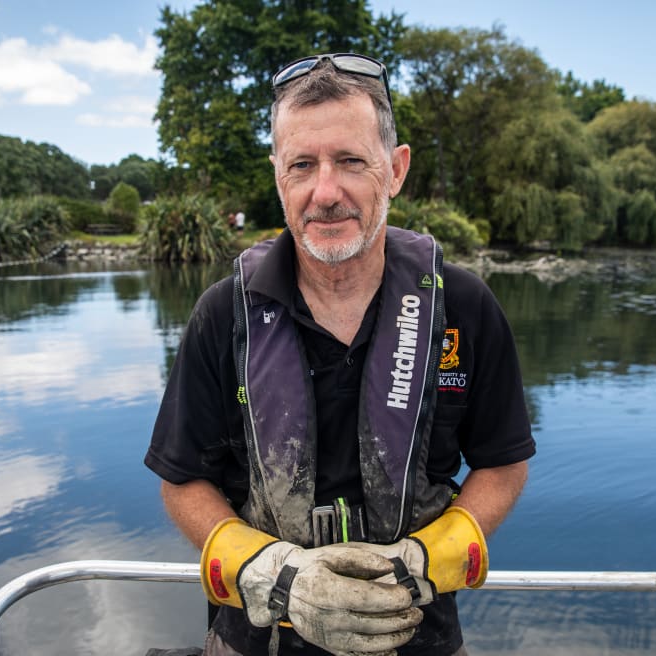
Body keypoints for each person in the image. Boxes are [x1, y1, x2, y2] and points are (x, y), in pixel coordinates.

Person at [144, 52, 535, 656]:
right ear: (278, 175)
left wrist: (431, 557)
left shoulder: (464, 305)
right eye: (302, 165)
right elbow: (183, 481)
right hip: (256, 640)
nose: (326, 193)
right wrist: (271, 573)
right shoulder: (223, 315)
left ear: (396, 169)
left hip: (419, 635)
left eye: (351, 161)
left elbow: (503, 463)